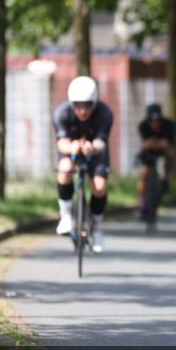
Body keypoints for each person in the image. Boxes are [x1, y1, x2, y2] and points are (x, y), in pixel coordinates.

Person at [53, 76, 113, 253]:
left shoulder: (105, 113)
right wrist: (72, 147)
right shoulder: (61, 113)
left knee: (100, 186)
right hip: (71, 150)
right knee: (64, 169)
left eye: (87, 105)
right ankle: (65, 216)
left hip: (95, 152)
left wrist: (92, 147)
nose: (83, 110)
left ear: (94, 102)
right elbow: (61, 142)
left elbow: (102, 141)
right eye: (78, 105)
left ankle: (97, 227)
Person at [136, 103, 176, 223]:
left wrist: (156, 143)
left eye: (157, 120)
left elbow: (168, 145)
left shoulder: (169, 125)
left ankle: (165, 177)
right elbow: (145, 144)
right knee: (144, 174)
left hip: (163, 152)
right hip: (149, 153)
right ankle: (142, 202)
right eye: (152, 121)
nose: (155, 123)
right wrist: (158, 143)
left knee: (169, 154)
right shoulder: (143, 126)